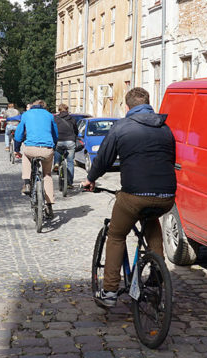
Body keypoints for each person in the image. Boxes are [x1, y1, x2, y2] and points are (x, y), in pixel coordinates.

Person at [83, 87, 176, 307]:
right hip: (166, 196)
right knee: (152, 221)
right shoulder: (165, 128)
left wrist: (90, 179)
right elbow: (171, 158)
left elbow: (104, 159)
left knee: (116, 235)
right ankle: (155, 277)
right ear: (149, 104)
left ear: (127, 107)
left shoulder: (122, 127)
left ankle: (110, 291)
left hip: (134, 195)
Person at [14, 99, 58, 218]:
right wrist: (54, 145)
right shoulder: (49, 116)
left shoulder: (26, 114)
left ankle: (27, 183)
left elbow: (18, 134)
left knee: (26, 156)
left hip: (31, 148)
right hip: (47, 149)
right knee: (47, 175)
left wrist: (16, 148)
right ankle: (49, 205)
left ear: (33, 106)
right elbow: (55, 134)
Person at [53, 103, 78, 190]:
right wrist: (75, 138)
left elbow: (53, 129)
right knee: (70, 162)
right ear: (67, 110)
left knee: (57, 149)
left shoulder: (55, 118)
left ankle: (56, 163)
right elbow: (76, 130)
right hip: (70, 141)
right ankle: (69, 183)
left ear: (59, 110)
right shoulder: (72, 118)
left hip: (59, 140)